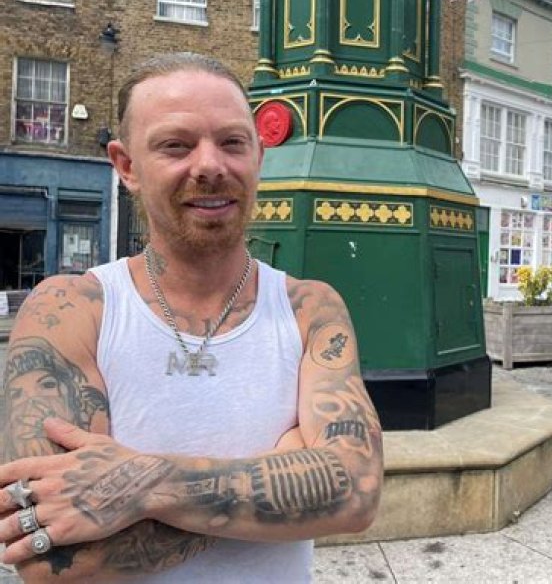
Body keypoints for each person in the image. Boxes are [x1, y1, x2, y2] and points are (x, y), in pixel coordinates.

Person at [0, 53, 383, 583]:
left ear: (258, 156)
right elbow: (49, 561)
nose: (210, 166)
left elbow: (357, 491)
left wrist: (142, 487)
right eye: (176, 146)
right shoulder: (69, 310)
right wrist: (284, 474)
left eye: (232, 142)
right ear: (126, 166)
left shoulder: (310, 309)